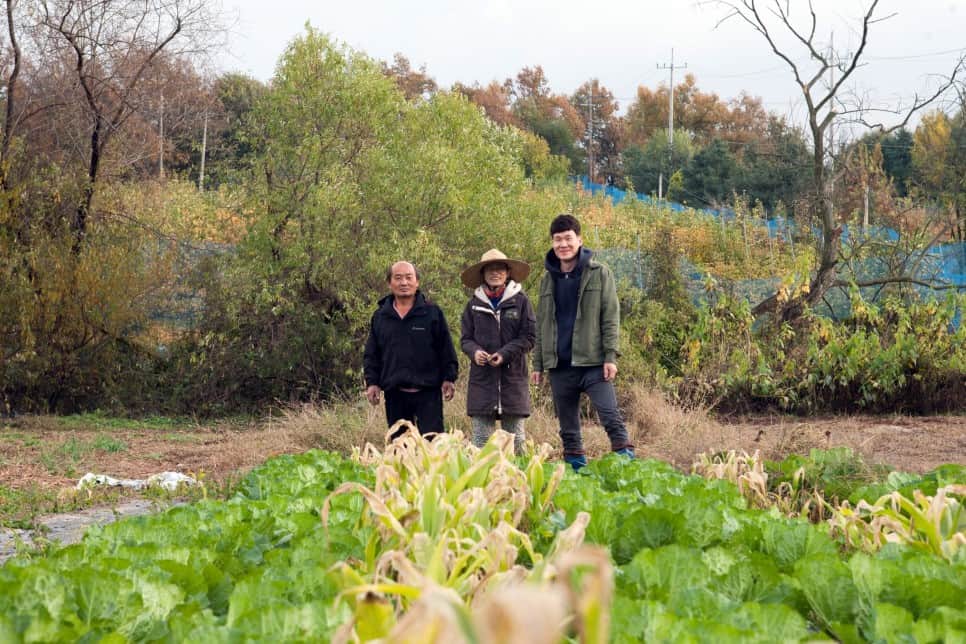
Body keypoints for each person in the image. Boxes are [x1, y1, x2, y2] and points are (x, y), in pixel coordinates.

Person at [531, 214, 634, 471]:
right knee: (568, 430)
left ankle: (628, 472)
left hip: (593, 363)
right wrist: (538, 364)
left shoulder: (599, 273)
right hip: (560, 366)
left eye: (568, 238)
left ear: (579, 240)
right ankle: (578, 477)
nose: (563, 244)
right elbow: (542, 324)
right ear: (552, 243)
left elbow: (610, 316)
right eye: (558, 240)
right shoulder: (547, 280)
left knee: (610, 418)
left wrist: (611, 356)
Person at [364, 261, 459, 439]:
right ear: (389, 283)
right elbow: (372, 353)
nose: (404, 283)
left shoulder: (432, 313)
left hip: (428, 392)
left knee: (433, 446)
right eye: (398, 278)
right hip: (394, 393)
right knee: (401, 448)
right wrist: (372, 382)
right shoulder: (381, 316)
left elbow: (445, 348)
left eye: (409, 277)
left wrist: (449, 377)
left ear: (417, 282)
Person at [459, 249, 536, 454]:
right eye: (490, 269)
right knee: (481, 442)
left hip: (513, 380)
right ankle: (482, 484)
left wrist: (504, 354)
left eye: (500, 268)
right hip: (482, 382)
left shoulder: (521, 302)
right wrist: (475, 352)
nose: (495, 272)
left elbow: (529, 338)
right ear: (482, 274)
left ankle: (520, 482)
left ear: (508, 272)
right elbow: (465, 339)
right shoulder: (473, 305)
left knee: (516, 440)